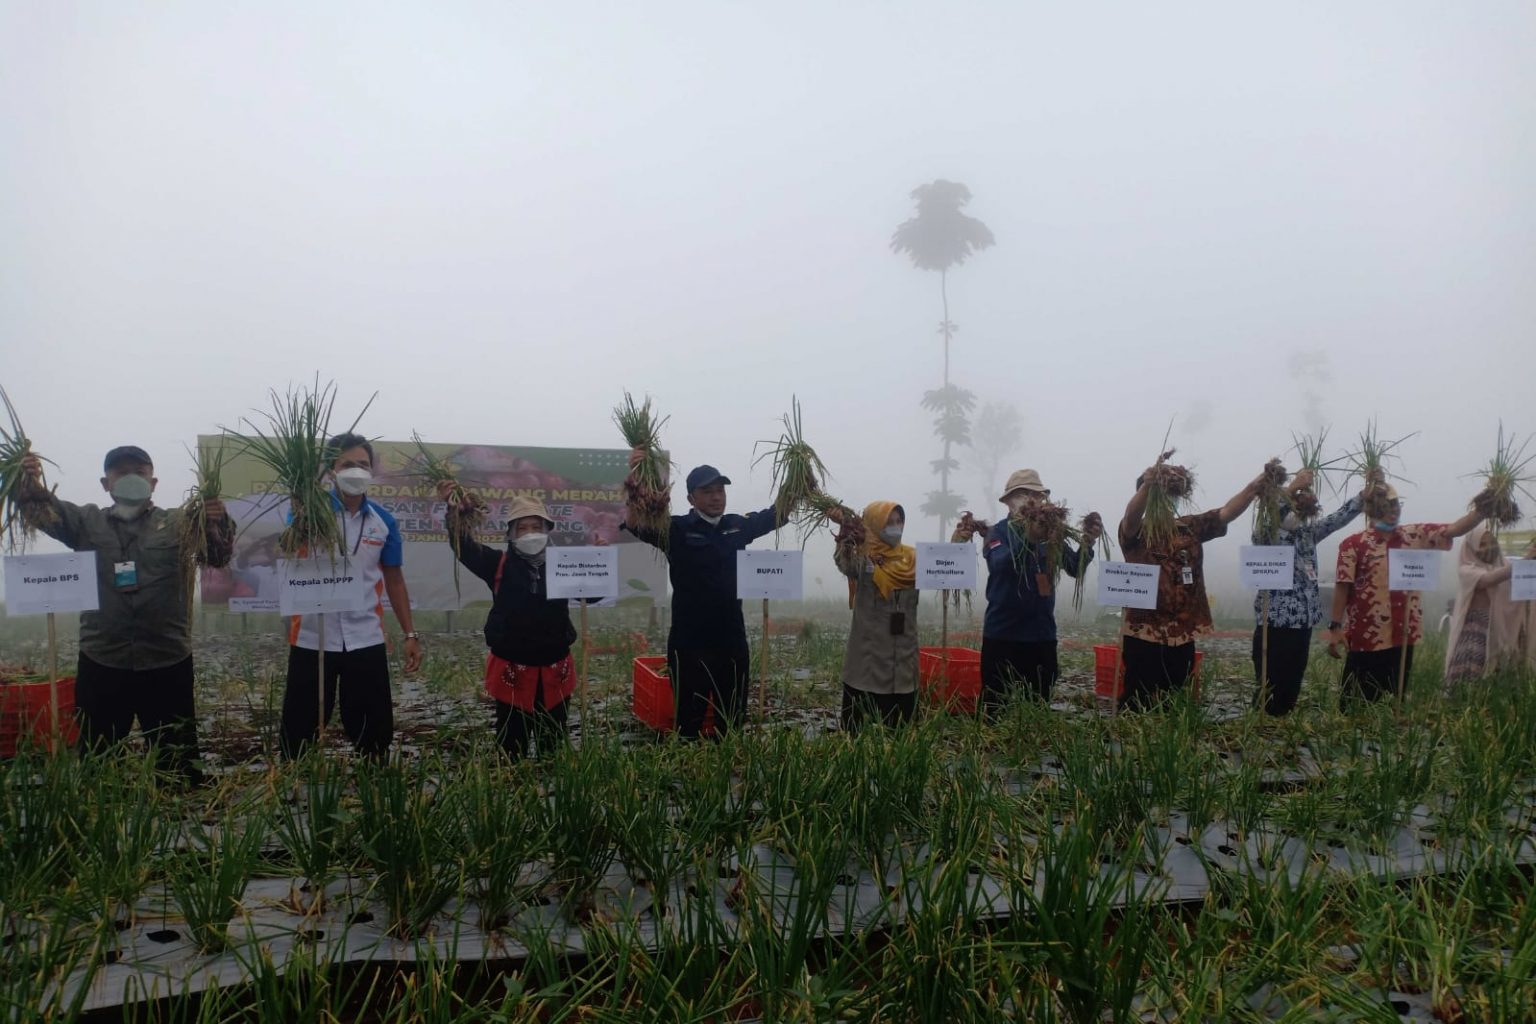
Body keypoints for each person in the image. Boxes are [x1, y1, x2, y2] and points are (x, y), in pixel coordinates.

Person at [16, 447, 233, 783]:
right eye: (121, 473)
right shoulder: (86, 522)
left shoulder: (179, 522)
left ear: (154, 481)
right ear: (106, 483)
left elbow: (217, 556)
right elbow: (42, 512)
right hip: (103, 657)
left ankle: (177, 813)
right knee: (98, 764)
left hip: (166, 658)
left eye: (139, 471)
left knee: (178, 767)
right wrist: (27, 480)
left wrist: (217, 520)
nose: (131, 478)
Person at [620, 456, 790, 739]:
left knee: (732, 718)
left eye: (720, 491)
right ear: (690, 497)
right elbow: (635, 522)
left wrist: (797, 482)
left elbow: (777, 515)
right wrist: (637, 472)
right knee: (689, 719)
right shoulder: (674, 529)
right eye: (707, 492)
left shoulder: (738, 526)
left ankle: (729, 771)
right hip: (689, 642)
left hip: (731, 639)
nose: (716, 497)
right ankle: (690, 771)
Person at [279, 433, 422, 760]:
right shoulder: (309, 512)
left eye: (362, 465)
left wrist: (410, 634)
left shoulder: (383, 522)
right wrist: (300, 516)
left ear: (371, 471)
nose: (355, 471)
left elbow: (394, 579)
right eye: (347, 465)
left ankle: (374, 780)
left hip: (365, 636)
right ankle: (295, 785)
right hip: (313, 637)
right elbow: (287, 549)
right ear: (332, 470)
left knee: (374, 727)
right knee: (301, 724)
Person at [441, 485, 584, 758]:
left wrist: (597, 561)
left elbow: (594, 594)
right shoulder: (497, 564)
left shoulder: (563, 564)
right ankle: (515, 788)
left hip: (556, 671)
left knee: (553, 743)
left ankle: (552, 793)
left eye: (536, 526)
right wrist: (454, 515)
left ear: (547, 530)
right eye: (522, 528)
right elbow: (464, 548)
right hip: (512, 672)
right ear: (511, 533)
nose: (530, 533)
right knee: (511, 745)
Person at [1117, 463, 1269, 711]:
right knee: (1138, 699)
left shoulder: (1189, 526)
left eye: (1173, 496)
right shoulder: (1137, 532)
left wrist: (1254, 488)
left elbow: (1226, 512)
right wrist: (1148, 484)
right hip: (1144, 631)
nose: (1170, 501)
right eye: (1163, 495)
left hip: (1182, 632)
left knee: (1175, 699)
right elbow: (1131, 516)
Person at [954, 469, 1101, 716]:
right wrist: (1029, 539)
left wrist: (1087, 541)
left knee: (1037, 707)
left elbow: (1074, 567)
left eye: (1037, 495)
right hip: (1003, 634)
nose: (1031, 500)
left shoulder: (1052, 534)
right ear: (1009, 501)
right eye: (1023, 494)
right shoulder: (997, 533)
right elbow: (1000, 564)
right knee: (995, 706)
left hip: (1041, 635)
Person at [1324, 485, 1487, 706]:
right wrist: (1334, 627)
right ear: (1372, 509)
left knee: (1393, 697)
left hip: (1403, 631)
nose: (1393, 510)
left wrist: (1482, 509)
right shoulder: (1353, 545)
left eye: (1396, 505)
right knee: (1356, 702)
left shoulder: (1414, 535)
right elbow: (1343, 587)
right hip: (1366, 635)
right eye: (1387, 505)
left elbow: (1453, 530)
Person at [1250, 469, 1362, 715]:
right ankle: (1263, 725)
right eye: (1294, 506)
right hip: (1274, 622)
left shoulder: (1307, 534)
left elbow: (1337, 519)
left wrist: (1363, 497)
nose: (1298, 512)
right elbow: (1266, 516)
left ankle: (1283, 719)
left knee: (1292, 681)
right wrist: (1292, 487)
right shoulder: (1268, 533)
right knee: (1269, 683)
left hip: (1303, 623)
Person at [833, 501, 919, 730]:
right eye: (888, 522)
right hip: (867, 661)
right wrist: (845, 532)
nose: (896, 527)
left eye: (899, 521)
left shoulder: (914, 558)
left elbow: (948, 568)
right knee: (859, 735)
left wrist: (960, 539)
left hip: (903, 660)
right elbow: (846, 564)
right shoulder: (863, 555)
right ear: (873, 524)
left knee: (900, 735)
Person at [1443, 526, 1530, 690]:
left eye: (1491, 542)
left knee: (1497, 678)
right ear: (1471, 548)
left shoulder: (1505, 564)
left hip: (1499, 631)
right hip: (1475, 631)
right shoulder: (1467, 569)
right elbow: (1487, 580)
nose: (1488, 548)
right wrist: (1525, 562)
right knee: (1469, 682)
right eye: (1482, 544)